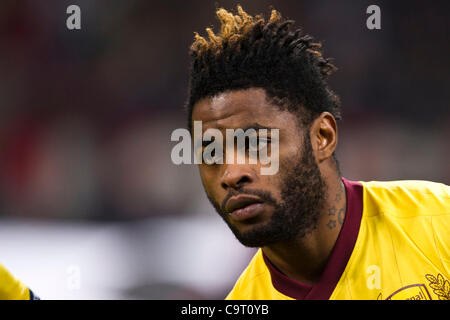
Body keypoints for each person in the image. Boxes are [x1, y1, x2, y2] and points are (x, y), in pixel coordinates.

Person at [185, 6, 450, 300]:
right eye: (210, 154)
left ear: (322, 137)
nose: (232, 174)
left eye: (255, 144)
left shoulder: (439, 221)